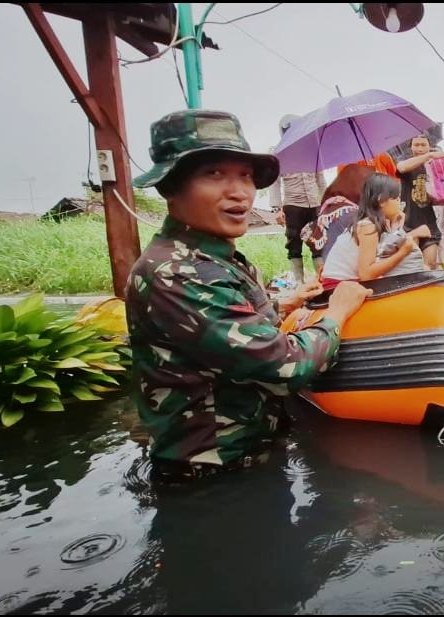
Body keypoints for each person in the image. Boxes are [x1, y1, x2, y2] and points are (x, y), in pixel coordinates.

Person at [125, 109, 371, 480]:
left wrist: (278, 304)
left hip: (251, 453)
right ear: (170, 187)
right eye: (214, 174)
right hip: (212, 475)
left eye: (245, 176)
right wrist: (337, 313)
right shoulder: (177, 272)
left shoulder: (213, 256)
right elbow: (284, 366)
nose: (238, 191)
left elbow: (221, 328)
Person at [319, 173, 429, 290]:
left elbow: (385, 251)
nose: (400, 203)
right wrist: (403, 253)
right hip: (337, 286)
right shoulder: (368, 227)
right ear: (381, 201)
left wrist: (397, 225)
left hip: (347, 282)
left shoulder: (371, 223)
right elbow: (366, 275)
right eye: (396, 199)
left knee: (424, 269)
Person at [269, 114, 327, 284]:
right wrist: (277, 209)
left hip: (314, 205)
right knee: (294, 244)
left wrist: (325, 203)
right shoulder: (278, 153)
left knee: (318, 243)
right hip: (293, 206)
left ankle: (323, 282)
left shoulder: (312, 151)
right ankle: (299, 285)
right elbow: (274, 183)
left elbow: (320, 179)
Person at [396, 134, 444, 269]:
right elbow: (401, 168)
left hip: (430, 224)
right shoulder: (407, 163)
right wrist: (428, 156)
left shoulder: (435, 165)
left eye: (423, 145)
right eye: (416, 145)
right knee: (412, 267)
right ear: (411, 147)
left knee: (429, 265)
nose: (420, 148)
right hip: (409, 224)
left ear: (429, 146)